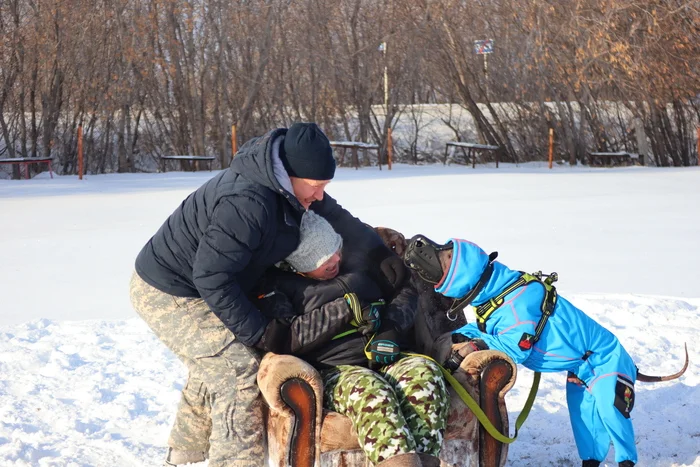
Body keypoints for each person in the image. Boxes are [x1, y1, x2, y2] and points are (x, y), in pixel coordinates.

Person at [129, 122, 407, 467]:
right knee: (236, 369)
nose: (319, 194)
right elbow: (212, 277)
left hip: (211, 279)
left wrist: (378, 253)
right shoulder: (247, 204)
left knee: (216, 356)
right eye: (316, 186)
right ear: (289, 173)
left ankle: (186, 453)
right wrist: (260, 332)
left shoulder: (292, 187)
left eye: (325, 186)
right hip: (171, 290)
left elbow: (336, 217)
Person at [402, 235, 686, 467]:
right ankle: (591, 462)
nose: (438, 255)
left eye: (448, 256)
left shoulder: (519, 302)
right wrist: (467, 335)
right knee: (583, 417)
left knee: (610, 411)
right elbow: (494, 332)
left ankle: (627, 461)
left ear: (466, 275)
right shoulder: (495, 298)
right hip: (578, 365)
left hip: (604, 357)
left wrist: (473, 346)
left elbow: (517, 349)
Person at [253, 211, 450, 467]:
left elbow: (405, 291)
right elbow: (287, 338)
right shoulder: (278, 286)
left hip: (387, 355)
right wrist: (347, 308)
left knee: (426, 375)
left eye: (336, 250)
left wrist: (391, 326)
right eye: (322, 259)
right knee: (372, 392)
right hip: (337, 368)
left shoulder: (358, 262)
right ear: (299, 264)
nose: (335, 259)